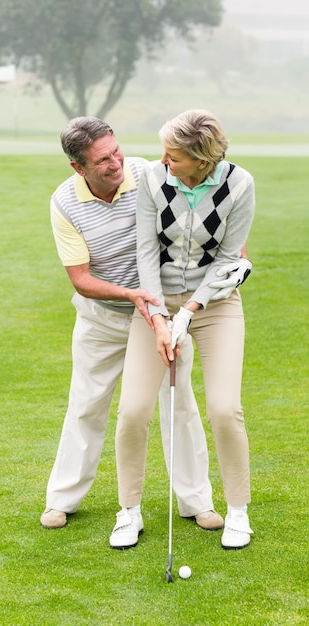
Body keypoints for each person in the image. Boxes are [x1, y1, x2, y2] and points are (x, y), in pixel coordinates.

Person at [40, 116, 247, 540]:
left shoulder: (148, 172)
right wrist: (137, 298)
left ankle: (196, 501)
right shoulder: (64, 202)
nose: (117, 163)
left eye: (116, 151)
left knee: (180, 403)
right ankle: (62, 499)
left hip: (164, 312)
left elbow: (200, 217)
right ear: (79, 168)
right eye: (103, 160)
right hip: (104, 317)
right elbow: (80, 278)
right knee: (88, 404)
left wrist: (167, 308)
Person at [111, 109, 255, 551]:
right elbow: (145, 252)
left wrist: (190, 311)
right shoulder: (154, 179)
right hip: (155, 303)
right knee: (134, 409)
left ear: (201, 159)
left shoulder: (239, 184)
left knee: (224, 409)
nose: (163, 159)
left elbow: (231, 258)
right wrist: (158, 318)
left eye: (173, 154)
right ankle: (128, 511)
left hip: (215, 306)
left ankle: (237, 512)